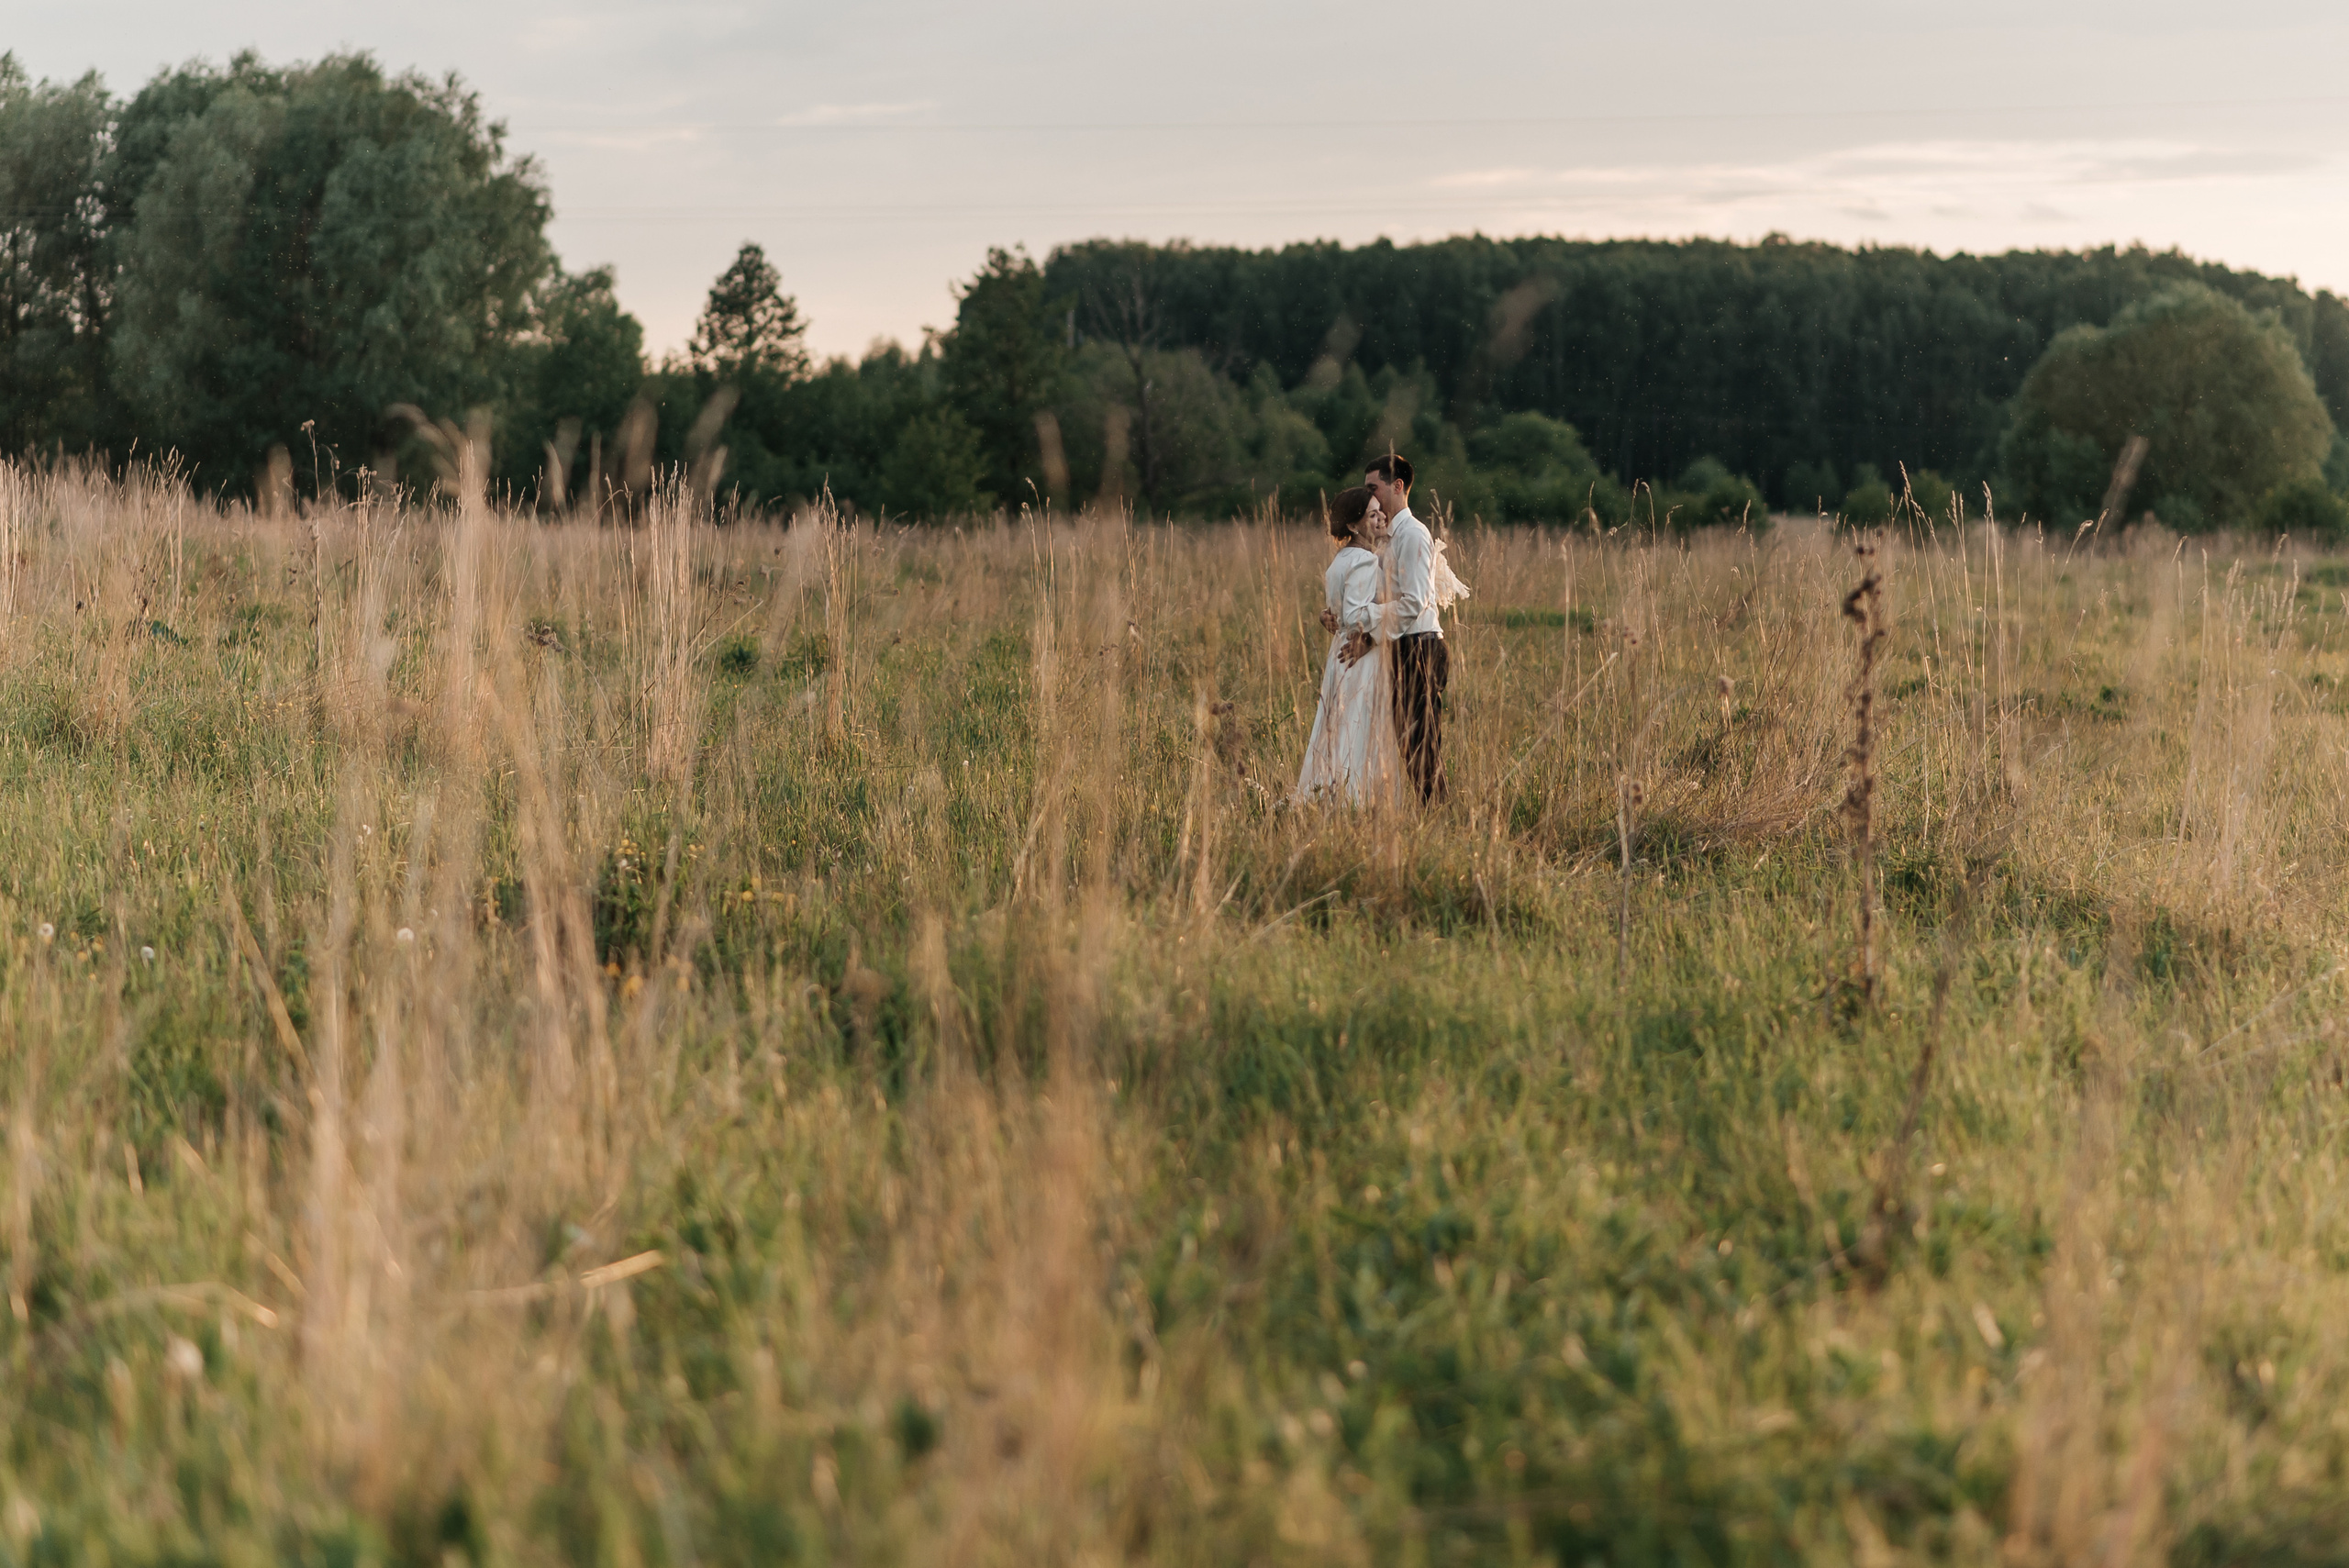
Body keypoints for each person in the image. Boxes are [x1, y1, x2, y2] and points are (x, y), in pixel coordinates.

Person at [1338, 454, 1463, 806]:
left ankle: (1439, 816)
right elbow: (1379, 597)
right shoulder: (1386, 538)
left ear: (1397, 486)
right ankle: (1434, 814)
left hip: (1420, 647)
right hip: (1400, 647)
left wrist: (1371, 635)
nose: (1370, 498)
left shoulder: (1412, 535)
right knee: (1409, 741)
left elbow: (1414, 603)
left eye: (1373, 488)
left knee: (1420, 741)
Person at [1294, 487, 1406, 807]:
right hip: (1361, 654)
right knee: (1359, 726)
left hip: (1340, 652)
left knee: (1338, 726)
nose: (1381, 516)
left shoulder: (1340, 560)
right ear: (1354, 526)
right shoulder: (1365, 560)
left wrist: (1333, 617)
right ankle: (1354, 800)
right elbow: (1356, 615)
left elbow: (1340, 609)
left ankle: (1332, 793)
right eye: (1372, 514)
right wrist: (1391, 610)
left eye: (1379, 511)